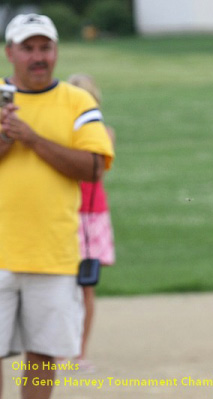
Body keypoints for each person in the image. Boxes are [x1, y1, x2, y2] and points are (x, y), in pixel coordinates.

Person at [0, 14, 114, 399]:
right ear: (9, 52)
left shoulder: (76, 101)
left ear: (56, 52)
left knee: (42, 353)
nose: (37, 57)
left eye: (44, 47)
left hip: (53, 250)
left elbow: (94, 167)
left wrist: (31, 139)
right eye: (28, 48)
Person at [67, 73, 116, 373]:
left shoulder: (101, 133)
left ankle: (79, 353)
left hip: (89, 215)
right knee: (61, 287)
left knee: (85, 286)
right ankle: (63, 349)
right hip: (65, 213)